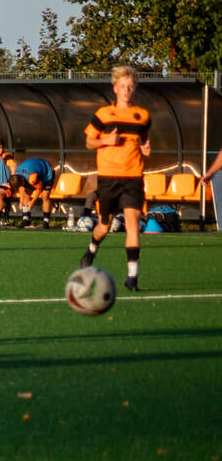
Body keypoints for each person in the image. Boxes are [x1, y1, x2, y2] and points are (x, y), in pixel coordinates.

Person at [80, 65, 152, 291]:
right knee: (104, 225)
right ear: (115, 88)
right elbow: (89, 142)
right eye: (123, 86)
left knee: (132, 223)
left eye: (130, 86)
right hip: (109, 177)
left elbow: (144, 142)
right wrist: (106, 141)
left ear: (135, 88)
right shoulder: (103, 114)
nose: (127, 90)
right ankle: (91, 249)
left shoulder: (143, 116)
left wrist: (146, 148)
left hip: (133, 177)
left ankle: (132, 277)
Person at [9, 157, 55, 228]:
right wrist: (21, 201)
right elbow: (21, 188)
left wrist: (32, 202)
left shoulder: (32, 178)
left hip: (47, 172)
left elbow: (39, 188)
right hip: (33, 170)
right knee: (26, 194)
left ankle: (46, 221)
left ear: (22, 180)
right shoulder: (16, 173)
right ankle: (26, 219)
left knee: (45, 196)